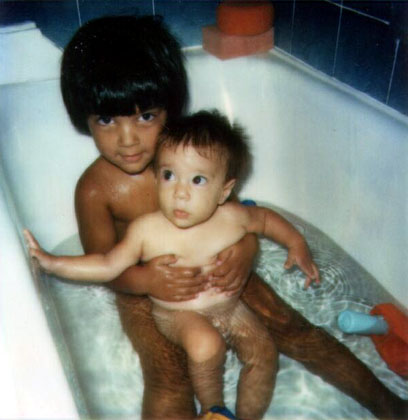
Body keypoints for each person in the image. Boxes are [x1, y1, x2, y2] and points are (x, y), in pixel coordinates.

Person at [49, 14, 406, 420]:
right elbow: (105, 267)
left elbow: (240, 215)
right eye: (107, 120)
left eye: (145, 116)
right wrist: (146, 280)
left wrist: (245, 250)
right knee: (168, 374)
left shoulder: (193, 154)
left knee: (291, 328)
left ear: (169, 109)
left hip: (218, 267)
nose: (127, 139)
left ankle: (393, 408)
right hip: (143, 289)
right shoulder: (96, 190)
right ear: (84, 118)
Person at [25, 110, 322, 418]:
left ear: (224, 191)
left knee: (264, 354)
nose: (180, 192)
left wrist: (296, 244)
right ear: (156, 177)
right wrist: (53, 263)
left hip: (230, 308)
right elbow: (106, 264)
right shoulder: (146, 230)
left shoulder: (233, 218)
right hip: (178, 314)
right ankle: (213, 409)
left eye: (197, 180)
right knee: (206, 345)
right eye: (169, 175)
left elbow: (265, 220)